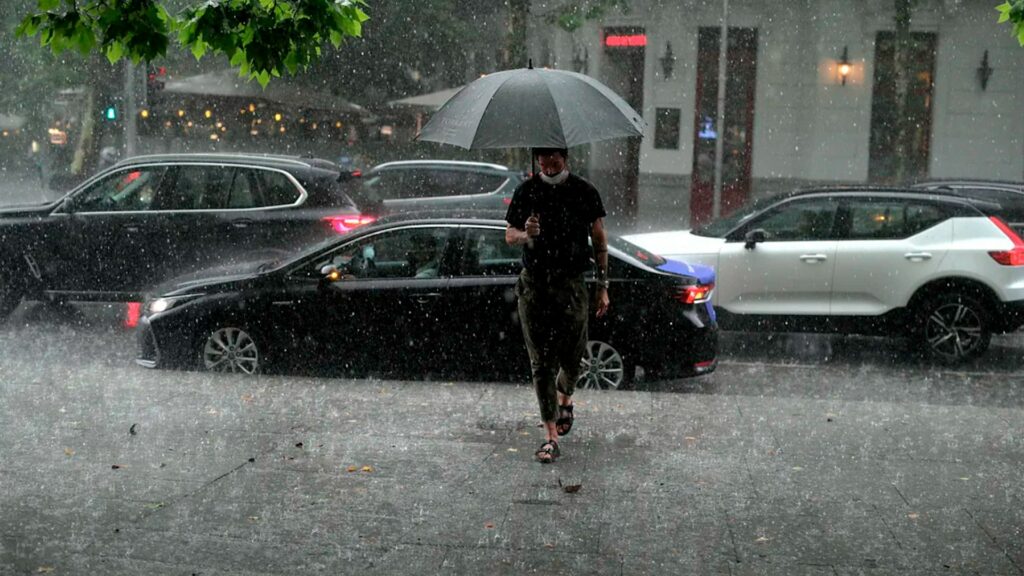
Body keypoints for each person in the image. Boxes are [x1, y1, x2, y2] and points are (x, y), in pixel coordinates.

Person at [505, 147, 610, 464]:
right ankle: (550, 437)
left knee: (573, 357)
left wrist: (603, 287)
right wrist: (527, 234)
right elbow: (509, 234)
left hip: (572, 285)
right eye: (544, 163)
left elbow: (600, 241)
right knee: (541, 363)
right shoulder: (527, 191)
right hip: (535, 286)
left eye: (556, 163)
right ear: (537, 161)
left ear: (566, 159)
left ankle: (565, 397)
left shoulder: (584, 191)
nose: (549, 169)